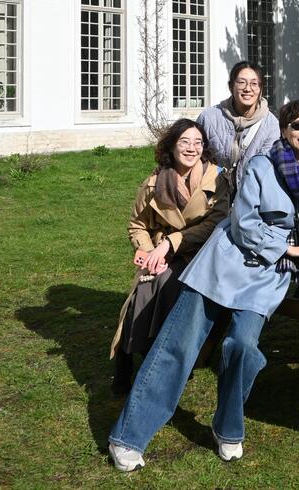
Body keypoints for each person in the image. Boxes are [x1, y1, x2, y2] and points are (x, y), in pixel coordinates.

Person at [108, 100, 299, 472]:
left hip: (268, 275)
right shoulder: (263, 165)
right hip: (226, 261)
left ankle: (227, 426)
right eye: (297, 126)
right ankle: (129, 436)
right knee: (177, 346)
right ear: (284, 130)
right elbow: (243, 223)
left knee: (243, 345)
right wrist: (291, 247)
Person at [109, 119, 231, 395]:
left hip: (200, 253)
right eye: (185, 142)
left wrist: (170, 244)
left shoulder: (217, 179)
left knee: (168, 285)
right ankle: (129, 359)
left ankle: (163, 361)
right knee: (143, 289)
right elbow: (137, 225)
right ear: (172, 146)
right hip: (160, 252)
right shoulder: (154, 183)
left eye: (198, 142)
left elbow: (216, 223)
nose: (192, 148)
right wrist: (145, 249)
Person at [197, 61, 280, 187]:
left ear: (261, 89)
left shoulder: (271, 125)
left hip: (252, 194)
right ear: (231, 86)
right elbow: (195, 157)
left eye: (254, 83)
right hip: (214, 192)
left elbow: (268, 168)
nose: (248, 89)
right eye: (241, 82)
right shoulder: (208, 118)